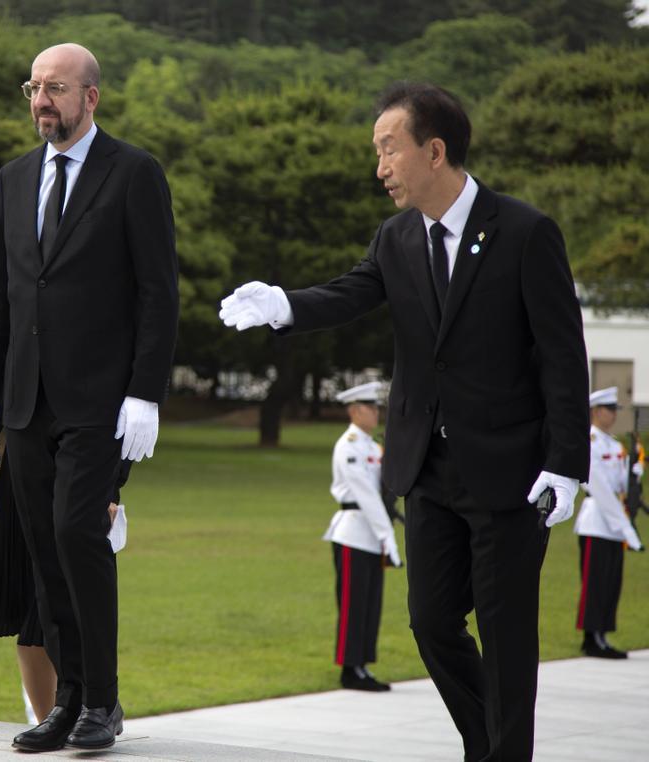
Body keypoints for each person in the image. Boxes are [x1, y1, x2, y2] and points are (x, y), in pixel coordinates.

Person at [219, 83, 590, 761]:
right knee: (431, 624)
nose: (380, 167)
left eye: (389, 149)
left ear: (435, 150)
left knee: (508, 638)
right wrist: (284, 306)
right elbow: (350, 292)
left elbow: (565, 359)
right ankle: (490, 745)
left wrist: (566, 464)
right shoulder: (395, 238)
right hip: (426, 468)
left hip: (509, 471)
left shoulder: (525, 233)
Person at [0, 43, 178, 752]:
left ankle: (104, 703)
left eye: (55, 88)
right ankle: (68, 702)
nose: (40, 101)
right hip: (25, 400)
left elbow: (158, 293)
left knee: (75, 533)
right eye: (33, 87)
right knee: (41, 549)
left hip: (99, 403)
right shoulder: (15, 177)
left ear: (91, 96)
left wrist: (144, 395)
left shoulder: (134, 173)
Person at [0, 437, 129, 724]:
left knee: (73, 607)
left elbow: (117, 405)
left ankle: (98, 704)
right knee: (31, 616)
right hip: (23, 470)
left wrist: (111, 487)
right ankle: (50, 723)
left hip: (82, 464)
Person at [324, 381, 401, 692]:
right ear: (354, 411)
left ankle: (363, 665)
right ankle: (349, 668)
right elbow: (366, 496)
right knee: (353, 603)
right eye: (370, 408)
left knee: (370, 602)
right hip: (354, 531)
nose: (376, 413)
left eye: (377, 407)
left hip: (371, 533)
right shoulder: (350, 445)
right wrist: (389, 537)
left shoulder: (371, 445)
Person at [574, 386, 643, 658]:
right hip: (596, 520)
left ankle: (602, 633)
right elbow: (599, 486)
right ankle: (590, 638)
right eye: (610, 409)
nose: (614, 415)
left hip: (615, 520)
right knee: (595, 582)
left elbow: (620, 485)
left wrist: (635, 469)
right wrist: (625, 526)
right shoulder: (589, 442)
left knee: (611, 582)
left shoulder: (615, 445)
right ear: (596, 411)